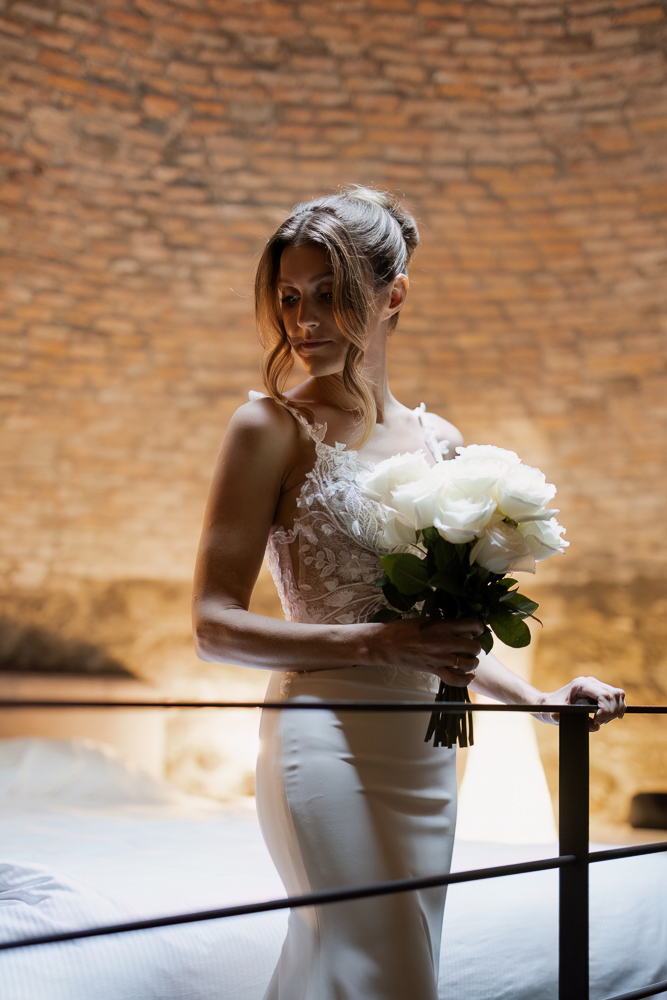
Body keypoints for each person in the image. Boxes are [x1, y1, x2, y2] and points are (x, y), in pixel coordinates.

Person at [192, 186, 626, 1000]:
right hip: (320, 735)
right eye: (289, 297)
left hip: (426, 751)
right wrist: (377, 644)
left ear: (391, 297)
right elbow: (213, 627)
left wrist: (536, 700)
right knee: (377, 967)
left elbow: (441, 631)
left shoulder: (442, 444)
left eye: (329, 294)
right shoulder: (267, 429)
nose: (303, 321)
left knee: (373, 971)